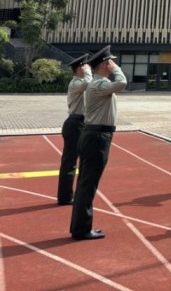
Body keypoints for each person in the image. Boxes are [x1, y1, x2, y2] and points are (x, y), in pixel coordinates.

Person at [69, 46, 127, 241]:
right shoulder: (98, 84)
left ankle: (80, 226)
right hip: (97, 137)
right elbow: (122, 83)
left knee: (86, 183)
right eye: (109, 61)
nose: (112, 64)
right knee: (88, 184)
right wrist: (116, 69)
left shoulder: (98, 83)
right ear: (104, 64)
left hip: (95, 135)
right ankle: (81, 229)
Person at [57, 53, 92, 206]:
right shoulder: (76, 83)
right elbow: (89, 83)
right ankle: (65, 197)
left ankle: (71, 195)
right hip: (75, 124)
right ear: (80, 68)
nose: (87, 67)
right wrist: (88, 72)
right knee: (69, 163)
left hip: (81, 124)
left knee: (78, 161)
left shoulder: (79, 82)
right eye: (84, 66)